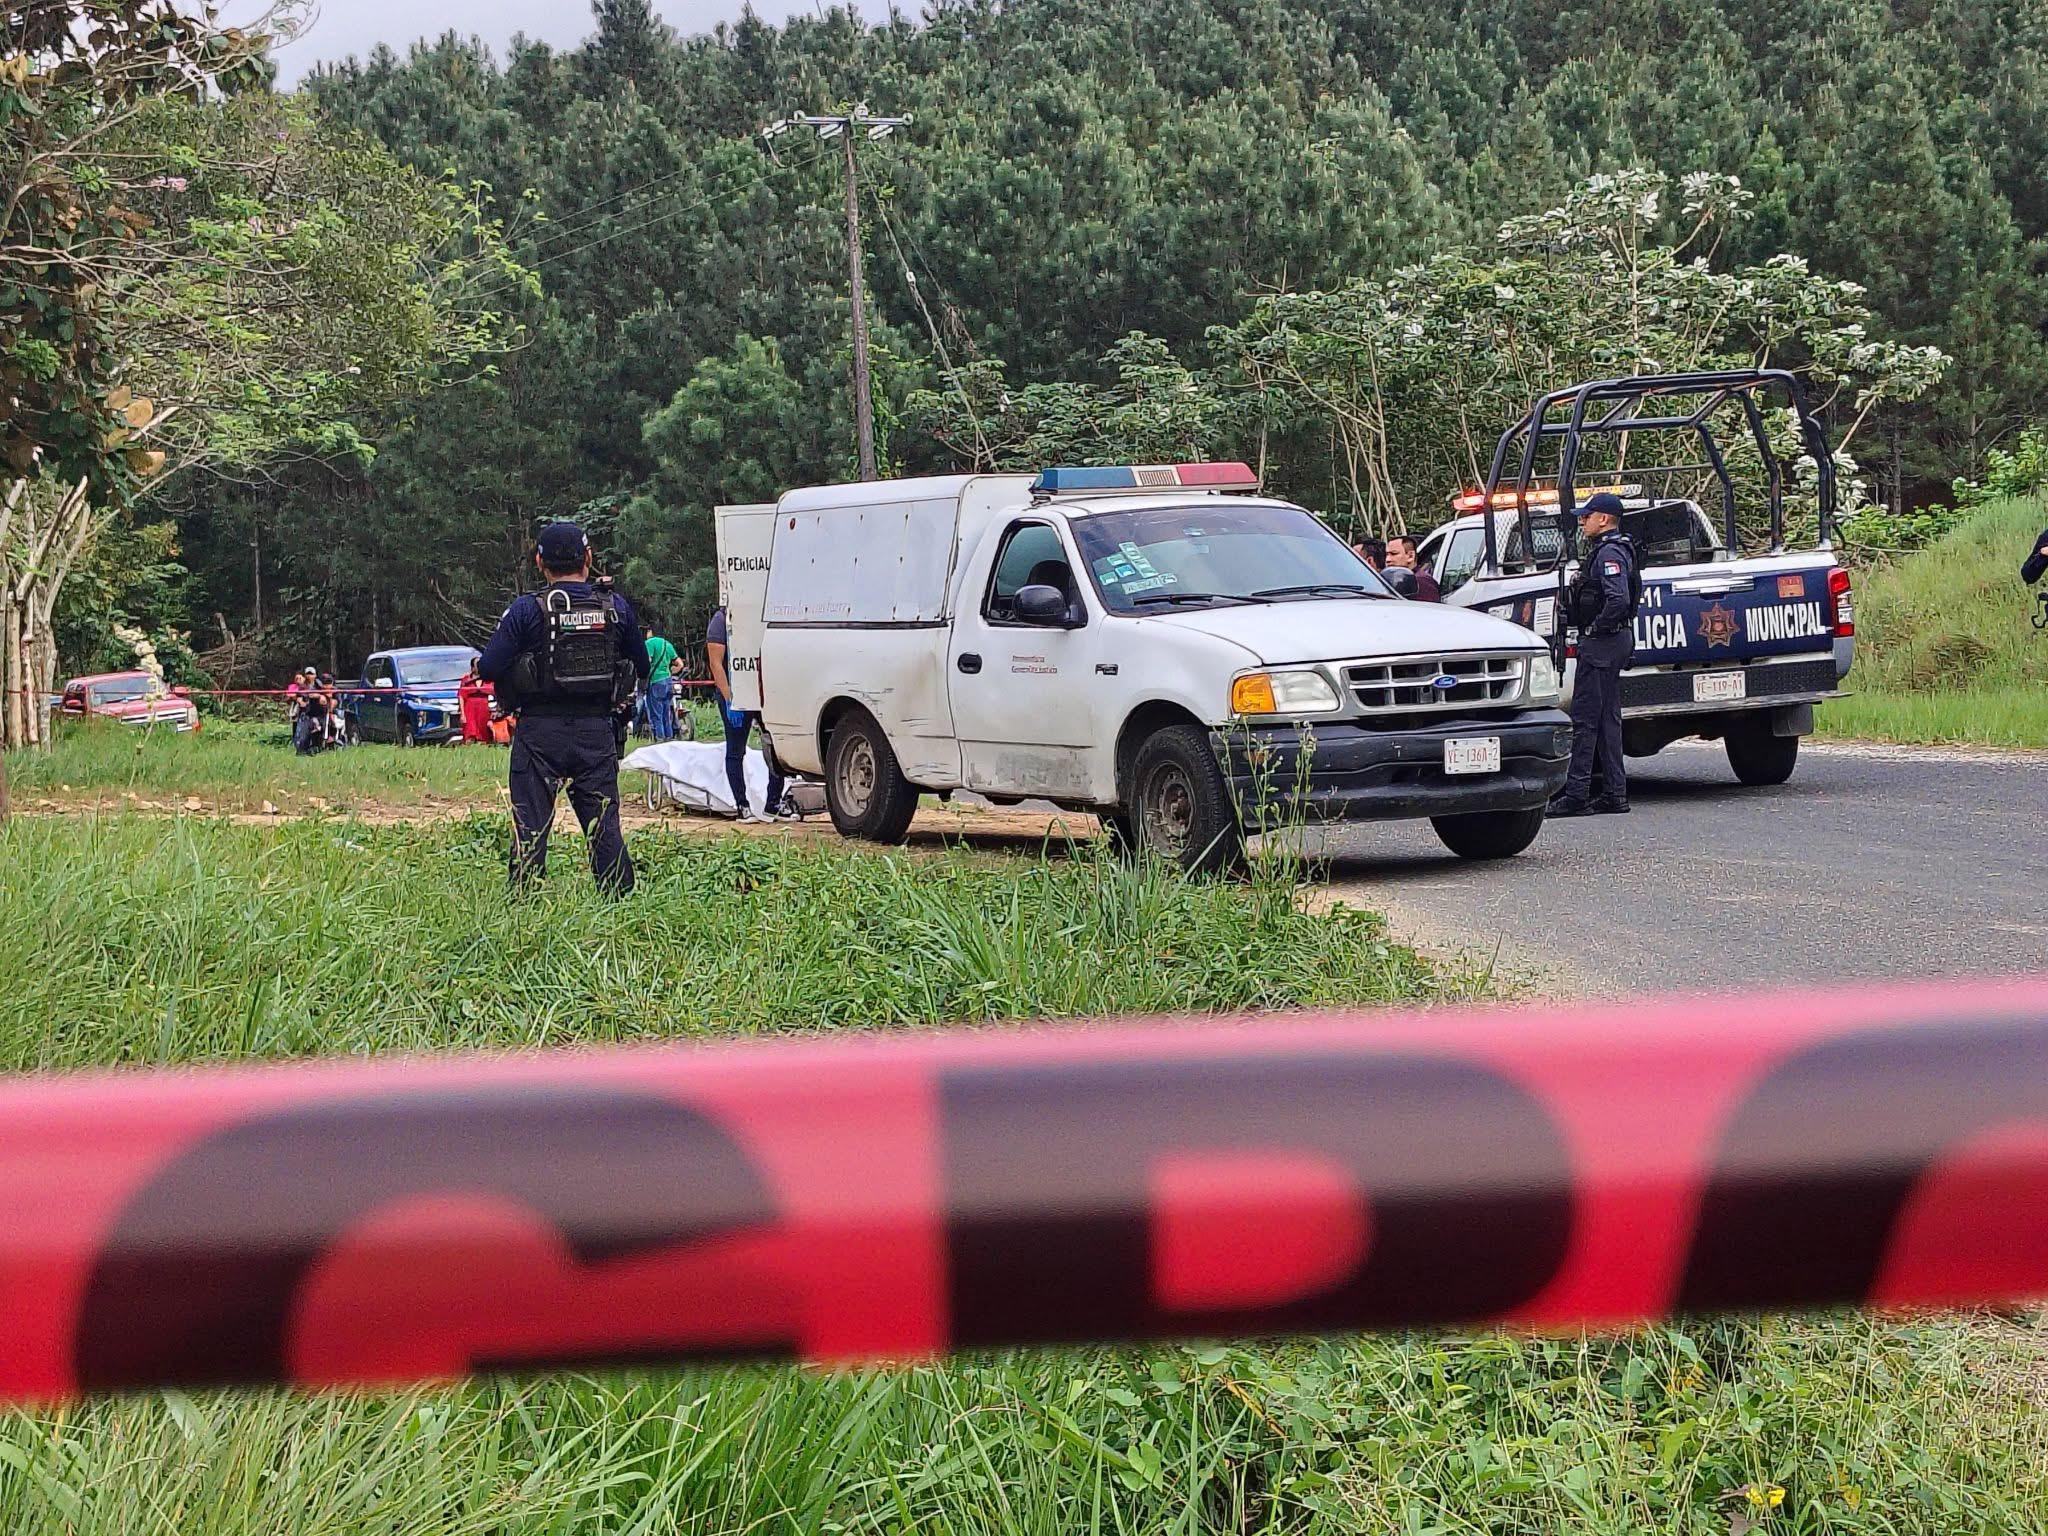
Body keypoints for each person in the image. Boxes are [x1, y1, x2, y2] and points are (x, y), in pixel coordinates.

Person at [478, 522, 649, 895]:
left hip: (538, 733)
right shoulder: (615, 607)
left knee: (530, 826)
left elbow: (489, 667)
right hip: (596, 732)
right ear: (588, 557)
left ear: (540, 563)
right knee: (604, 829)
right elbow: (642, 664)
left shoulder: (526, 610)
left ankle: (525, 903)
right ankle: (619, 901)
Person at [1548, 492, 1640, 818]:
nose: (1583, 522)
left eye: (1587, 516)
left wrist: (1595, 628)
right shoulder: (1614, 549)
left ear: (1603, 519)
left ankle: (1576, 794)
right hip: (1613, 642)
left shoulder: (1610, 552)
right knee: (1607, 719)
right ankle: (1615, 793)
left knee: (1585, 719)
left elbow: (1618, 599)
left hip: (1604, 644)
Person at [706, 604, 785, 822]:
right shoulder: (721, 621)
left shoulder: (761, 616)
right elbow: (715, 663)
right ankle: (742, 805)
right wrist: (728, 698)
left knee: (774, 747)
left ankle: (774, 803)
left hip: (762, 693)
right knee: (735, 750)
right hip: (735, 694)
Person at [643, 626, 680, 742]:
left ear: (651, 631)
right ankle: (669, 738)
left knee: (656, 714)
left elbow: (647, 661)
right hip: (668, 681)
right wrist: (671, 671)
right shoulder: (667, 644)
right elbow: (679, 664)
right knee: (666, 713)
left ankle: (660, 739)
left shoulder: (649, 643)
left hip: (655, 681)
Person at [1386, 535, 1440, 601]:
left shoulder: (1421, 581)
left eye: (1394, 554)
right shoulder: (1400, 579)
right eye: (1387, 554)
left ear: (1410, 556)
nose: (1387, 559)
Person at [457, 664, 493, 745]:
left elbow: (496, 693)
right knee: (470, 732)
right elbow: (461, 696)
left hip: (483, 709)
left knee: (483, 733)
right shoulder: (466, 679)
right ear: (472, 668)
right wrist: (462, 714)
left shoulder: (488, 679)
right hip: (470, 708)